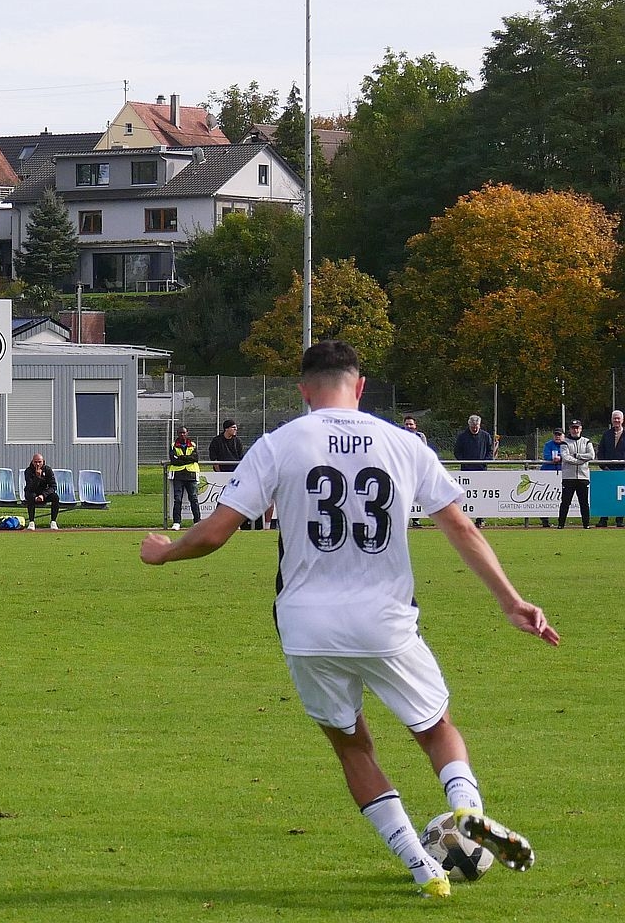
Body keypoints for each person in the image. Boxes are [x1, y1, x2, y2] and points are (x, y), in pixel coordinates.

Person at [141, 339, 556, 896]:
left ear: (303, 390)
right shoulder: (403, 443)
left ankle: (422, 867)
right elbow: (461, 526)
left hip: (307, 626)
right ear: (360, 386)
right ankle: (466, 809)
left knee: (352, 745)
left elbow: (215, 533)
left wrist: (165, 552)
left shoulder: (279, 443)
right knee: (435, 729)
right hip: (385, 621)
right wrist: (511, 600)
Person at [210, 420, 256, 528]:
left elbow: (241, 458)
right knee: (222, 498)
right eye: (233, 427)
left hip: (235, 474)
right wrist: (220, 474)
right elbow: (214, 459)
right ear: (227, 429)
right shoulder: (216, 441)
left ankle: (238, 523)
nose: (236, 429)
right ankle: (218, 520)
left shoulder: (237, 441)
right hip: (222, 473)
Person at [558, 419, 595, 529]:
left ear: (581, 429)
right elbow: (566, 457)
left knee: (584, 503)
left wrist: (578, 456)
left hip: (583, 476)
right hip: (568, 477)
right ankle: (561, 524)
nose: (575, 430)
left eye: (577, 428)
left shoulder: (587, 441)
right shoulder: (565, 442)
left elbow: (591, 455)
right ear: (569, 429)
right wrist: (580, 461)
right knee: (565, 502)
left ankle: (586, 524)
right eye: (573, 428)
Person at [594, 409, 625, 527]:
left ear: (622, 420)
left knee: (621, 497)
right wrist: (603, 466)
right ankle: (603, 519)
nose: (616, 420)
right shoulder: (606, 434)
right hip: (607, 471)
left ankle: (619, 520)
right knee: (606, 495)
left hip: (622, 471)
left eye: (618, 418)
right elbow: (600, 451)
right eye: (614, 418)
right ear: (611, 420)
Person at [168, 426, 202, 530]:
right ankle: (177, 522)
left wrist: (182, 458)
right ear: (177, 434)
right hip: (178, 475)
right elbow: (174, 460)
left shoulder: (193, 445)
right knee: (177, 499)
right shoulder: (173, 445)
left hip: (191, 474)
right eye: (180, 433)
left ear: (187, 433)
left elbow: (195, 458)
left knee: (194, 498)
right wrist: (188, 459)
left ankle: (197, 522)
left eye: (184, 432)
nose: (182, 435)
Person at [22, 452, 60, 530]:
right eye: (35, 462)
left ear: (43, 462)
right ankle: (31, 522)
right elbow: (30, 487)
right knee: (31, 496)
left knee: (55, 497)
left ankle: (53, 521)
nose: (37, 464)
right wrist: (37, 477)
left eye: (39, 462)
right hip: (32, 492)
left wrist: (43, 495)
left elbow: (53, 486)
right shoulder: (28, 471)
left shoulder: (48, 470)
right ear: (32, 462)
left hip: (43, 494)